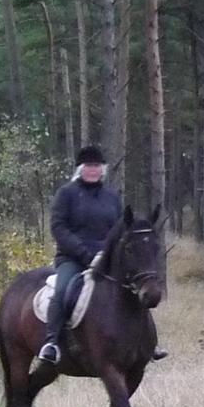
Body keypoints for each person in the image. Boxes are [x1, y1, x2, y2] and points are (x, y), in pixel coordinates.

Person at [32, 145, 167, 371]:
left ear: (102, 169)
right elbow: (59, 228)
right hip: (72, 259)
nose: (92, 170)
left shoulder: (112, 197)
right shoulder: (66, 194)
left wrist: (111, 255)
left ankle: (148, 344)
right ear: (80, 169)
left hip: (106, 260)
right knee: (63, 290)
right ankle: (52, 343)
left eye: (96, 166)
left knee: (134, 292)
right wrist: (85, 254)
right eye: (88, 166)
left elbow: (119, 230)